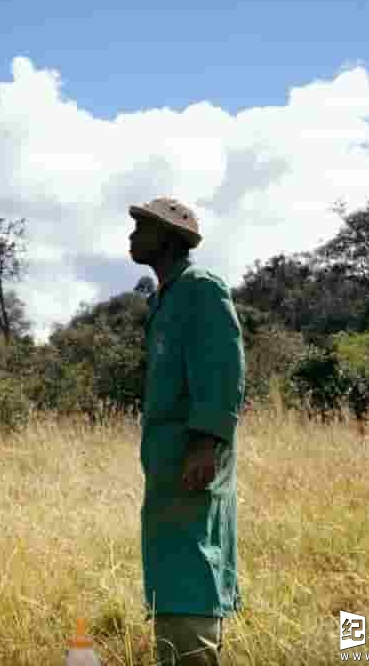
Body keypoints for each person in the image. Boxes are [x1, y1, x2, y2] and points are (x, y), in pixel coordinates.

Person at [127, 197, 246, 666]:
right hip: (169, 463)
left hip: (192, 459)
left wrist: (204, 444)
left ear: (170, 238)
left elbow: (222, 370)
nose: (132, 236)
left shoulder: (200, 288)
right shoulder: (167, 298)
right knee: (177, 562)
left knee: (192, 562)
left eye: (142, 228)